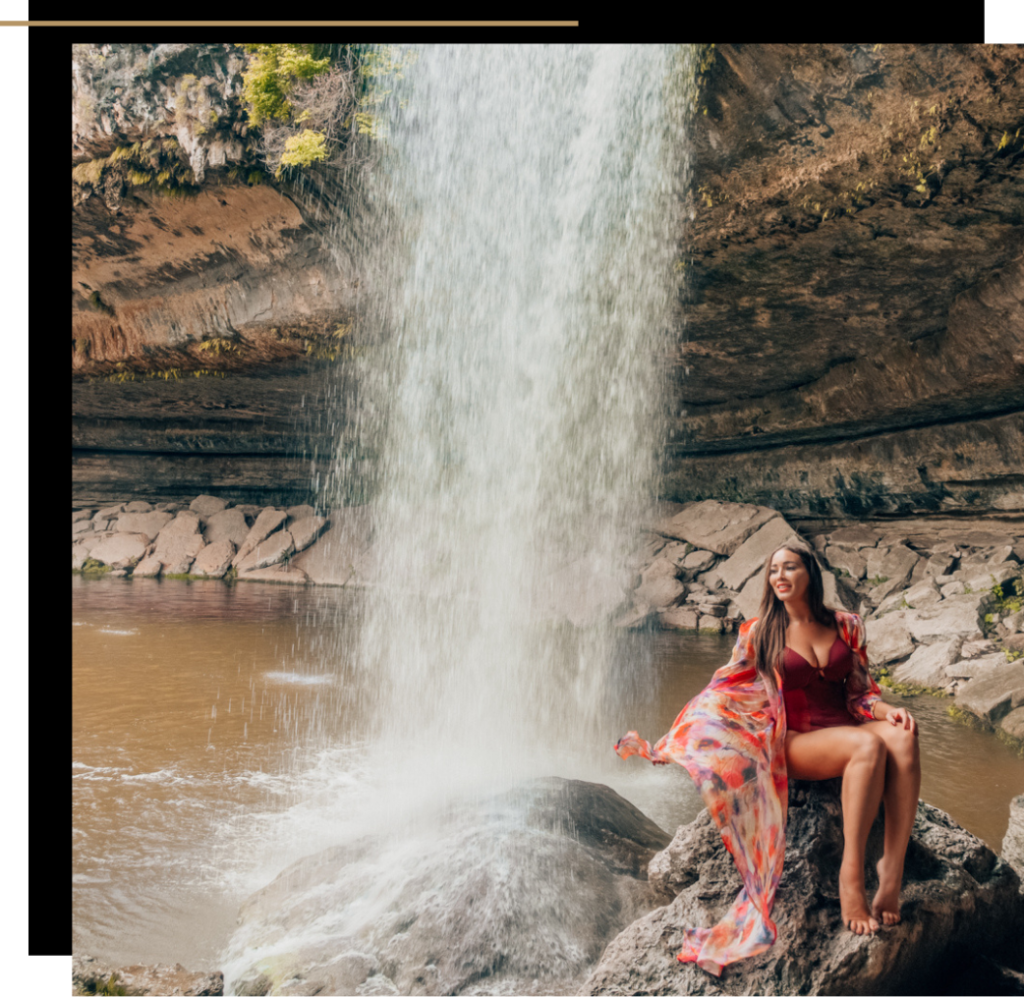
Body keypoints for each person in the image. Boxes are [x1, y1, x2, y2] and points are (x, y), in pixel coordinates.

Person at [614, 540, 921, 977]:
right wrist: (678, 743)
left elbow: (860, 693)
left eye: (789, 567)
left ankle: (891, 867)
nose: (779, 576)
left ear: (810, 574)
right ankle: (851, 876)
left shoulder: (847, 626)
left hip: (847, 728)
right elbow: (720, 693)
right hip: (797, 740)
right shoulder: (759, 633)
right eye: (773, 570)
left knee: (904, 737)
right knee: (868, 747)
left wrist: (889, 712)